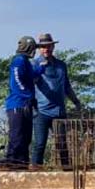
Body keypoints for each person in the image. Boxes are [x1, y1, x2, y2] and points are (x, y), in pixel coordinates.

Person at [32, 33, 82, 168]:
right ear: (39, 49)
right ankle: (36, 171)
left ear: (53, 46)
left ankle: (67, 171)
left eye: (48, 46)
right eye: (42, 47)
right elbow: (30, 84)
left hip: (59, 111)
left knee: (62, 143)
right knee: (40, 143)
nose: (45, 49)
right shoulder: (35, 64)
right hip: (41, 111)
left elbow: (66, 86)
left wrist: (76, 101)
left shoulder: (61, 65)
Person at [4, 36, 45, 166]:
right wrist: (27, 95)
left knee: (26, 138)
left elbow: (32, 74)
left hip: (25, 105)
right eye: (33, 48)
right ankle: (12, 164)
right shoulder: (18, 60)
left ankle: (22, 164)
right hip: (17, 105)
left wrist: (42, 68)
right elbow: (17, 80)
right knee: (17, 137)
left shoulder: (26, 62)